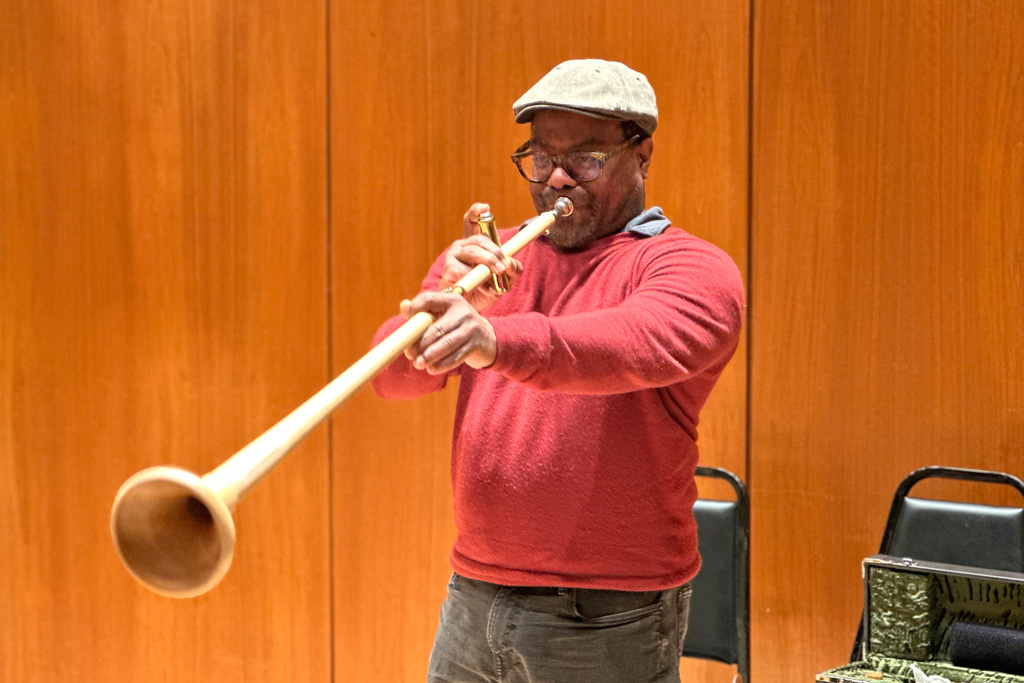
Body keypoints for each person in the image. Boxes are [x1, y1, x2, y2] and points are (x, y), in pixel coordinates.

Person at [371, 59, 745, 683]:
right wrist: (455, 306)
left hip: (607, 610)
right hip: (473, 590)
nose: (559, 181)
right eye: (541, 160)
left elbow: (630, 343)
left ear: (642, 155)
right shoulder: (491, 263)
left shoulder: (688, 268)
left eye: (587, 161)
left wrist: (493, 338)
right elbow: (389, 377)